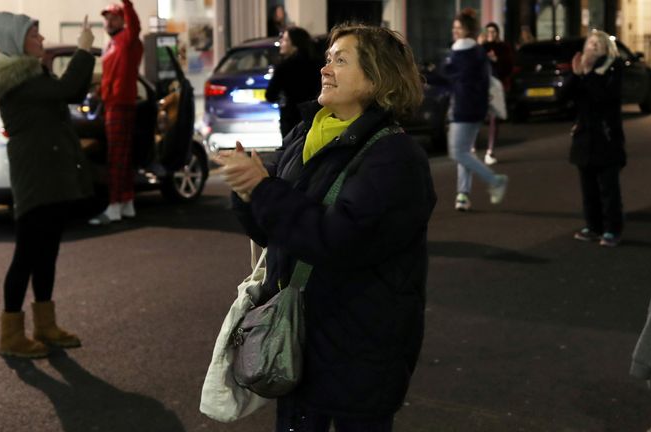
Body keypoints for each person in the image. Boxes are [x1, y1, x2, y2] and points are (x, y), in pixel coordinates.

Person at [214, 23, 436, 432]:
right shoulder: (308, 133)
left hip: (358, 354)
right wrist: (247, 193)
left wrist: (262, 189)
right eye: (327, 58)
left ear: (376, 77)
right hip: (300, 345)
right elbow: (278, 235)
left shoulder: (395, 157)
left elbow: (338, 240)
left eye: (341, 60)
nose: (325, 69)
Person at [0, 12, 95, 358]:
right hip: (35, 178)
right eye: (35, 35)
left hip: (49, 175)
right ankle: (11, 334)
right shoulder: (18, 80)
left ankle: (45, 325)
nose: (42, 40)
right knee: (28, 254)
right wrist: (84, 51)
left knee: (46, 252)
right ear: (18, 42)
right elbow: (70, 90)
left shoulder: (31, 75)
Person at [442, 8, 508, 211]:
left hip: (465, 109)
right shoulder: (473, 51)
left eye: (458, 28)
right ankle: (463, 195)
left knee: (458, 152)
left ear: (467, 30)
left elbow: (456, 79)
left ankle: (495, 180)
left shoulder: (464, 52)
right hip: (470, 108)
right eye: (454, 27)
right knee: (464, 151)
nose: (454, 31)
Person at [568, 30, 625, 247]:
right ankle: (593, 226)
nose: (591, 47)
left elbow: (604, 98)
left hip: (606, 136)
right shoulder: (584, 70)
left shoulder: (613, 67)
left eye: (596, 44)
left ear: (605, 48)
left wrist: (589, 73)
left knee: (609, 188)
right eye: (589, 43)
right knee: (588, 187)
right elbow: (565, 96)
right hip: (584, 138)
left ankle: (613, 229)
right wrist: (576, 75)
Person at [89, 0, 143, 225]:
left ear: (123, 19)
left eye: (114, 17)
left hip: (119, 104)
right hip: (116, 103)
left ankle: (113, 206)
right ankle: (126, 202)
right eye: (107, 18)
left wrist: (127, 3)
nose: (109, 21)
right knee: (123, 157)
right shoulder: (114, 43)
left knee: (115, 158)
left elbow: (135, 25)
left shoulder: (128, 39)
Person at [265, 26, 322, 138]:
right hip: (314, 116)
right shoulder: (317, 63)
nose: (281, 42)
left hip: (291, 118)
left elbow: (270, 95)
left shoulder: (284, 67)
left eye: (285, 40)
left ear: (295, 44)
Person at [480, 22, 514, 166]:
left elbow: (508, 67)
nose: (491, 35)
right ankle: (472, 147)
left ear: (497, 33)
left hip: (496, 86)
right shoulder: (481, 48)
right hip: (481, 86)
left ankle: (490, 150)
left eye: (493, 32)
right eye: (489, 32)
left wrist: (496, 60)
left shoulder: (504, 48)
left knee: (494, 118)